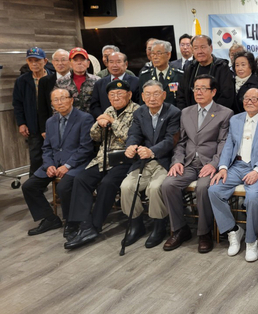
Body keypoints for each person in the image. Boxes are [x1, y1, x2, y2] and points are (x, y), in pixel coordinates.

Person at [64, 80, 140, 249]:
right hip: (103, 159)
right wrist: (99, 123)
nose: (116, 97)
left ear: (129, 95)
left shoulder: (137, 111)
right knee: (81, 179)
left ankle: (94, 227)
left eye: (120, 94)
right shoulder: (108, 110)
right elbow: (95, 136)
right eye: (112, 95)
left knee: (107, 183)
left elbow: (130, 137)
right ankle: (82, 223)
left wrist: (112, 122)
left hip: (125, 159)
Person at [162, 75, 233, 252]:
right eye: (196, 88)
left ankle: (204, 233)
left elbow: (224, 143)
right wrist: (177, 161)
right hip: (188, 163)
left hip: (209, 163)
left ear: (213, 92)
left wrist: (215, 164)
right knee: (168, 184)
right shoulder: (186, 112)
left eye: (203, 88)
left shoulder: (225, 113)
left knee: (203, 188)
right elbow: (181, 142)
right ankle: (179, 229)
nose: (198, 92)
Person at [209, 88, 258, 262]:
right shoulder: (235, 120)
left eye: (255, 99)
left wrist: (257, 170)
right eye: (247, 98)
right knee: (214, 190)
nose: (250, 101)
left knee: (253, 198)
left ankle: (251, 240)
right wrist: (223, 167)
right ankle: (233, 230)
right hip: (237, 165)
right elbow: (229, 145)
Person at [21, 88, 94, 236]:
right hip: (54, 164)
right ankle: (49, 218)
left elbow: (86, 148)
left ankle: (72, 221)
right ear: (52, 103)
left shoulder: (85, 118)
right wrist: (49, 165)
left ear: (71, 100)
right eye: (55, 100)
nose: (59, 103)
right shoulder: (50, 121)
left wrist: (67, 166)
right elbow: (46, 147)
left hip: (76, 164)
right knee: (29, 186)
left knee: (63, 188)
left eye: (63, 98)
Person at [119, 80, 181, 248]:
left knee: (155, 188)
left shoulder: (173, 112)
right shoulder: (139, 113)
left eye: (156, 94)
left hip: (164, 160)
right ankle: (136, 224)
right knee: (126, 186)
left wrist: (152, 151)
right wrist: (131, 146)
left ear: (164, 95)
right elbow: (134, 134)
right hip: (143, 162)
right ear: (143, 97)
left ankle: (159, 226)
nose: (152, 98)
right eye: (148, 94)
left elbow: (171, 140)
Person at [13, 47, 53, 176]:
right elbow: (17, 103)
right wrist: (21, 123)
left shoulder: (53, 77)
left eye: (37, 60)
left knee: (56, 155)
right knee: (36, 157)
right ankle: (35, 187)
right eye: (31, 61)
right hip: (33, 123)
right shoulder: (22, 81)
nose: (34, 64)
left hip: (52, 121)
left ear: (45, 61)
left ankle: (58, 189)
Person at [176, 35, 235, 110]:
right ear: (192, 50)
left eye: (203, 47)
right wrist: (186, 113)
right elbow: (181, 95)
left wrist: (212, 114)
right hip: (192, 115)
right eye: (196, 48)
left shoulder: (221, 67)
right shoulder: (190, 68)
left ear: (211, 48)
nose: (200, 51)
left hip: (216, 115)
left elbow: (227, 95)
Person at [90, 52, 140, 118]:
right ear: (107, 64)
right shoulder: (99, 83)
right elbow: (94, 106)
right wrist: (104, 117)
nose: (114, 65)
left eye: (118, 62)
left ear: (126, 64)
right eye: (111, 62)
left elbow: (140, 104)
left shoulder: (136, 82)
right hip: (105, 122)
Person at [138, 40, 183, 106]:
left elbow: (182, 101)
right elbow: (142, 102)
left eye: (159, 54)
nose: (155, 57)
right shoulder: (144, 76)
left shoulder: (179, 75)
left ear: (168, 55)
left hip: (174, 114)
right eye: (153, 54)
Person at [55, 47, 100, 113]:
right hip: (70, 121)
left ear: (88, 63)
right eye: (75, 60)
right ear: (70, 64)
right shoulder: (60, 82)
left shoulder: (97, 81)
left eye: (82, 60)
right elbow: (56, 104)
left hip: (92, 120)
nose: (79, 63)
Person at [38, 49, 71, 137]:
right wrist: (43, 129)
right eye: (56, 60)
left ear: (70, 61)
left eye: (63, 60)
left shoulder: (76, 79)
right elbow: (42, 106)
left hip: (75, 123)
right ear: (52, 62)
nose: (60, 63)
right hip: (54, 124)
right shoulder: (44, 81)